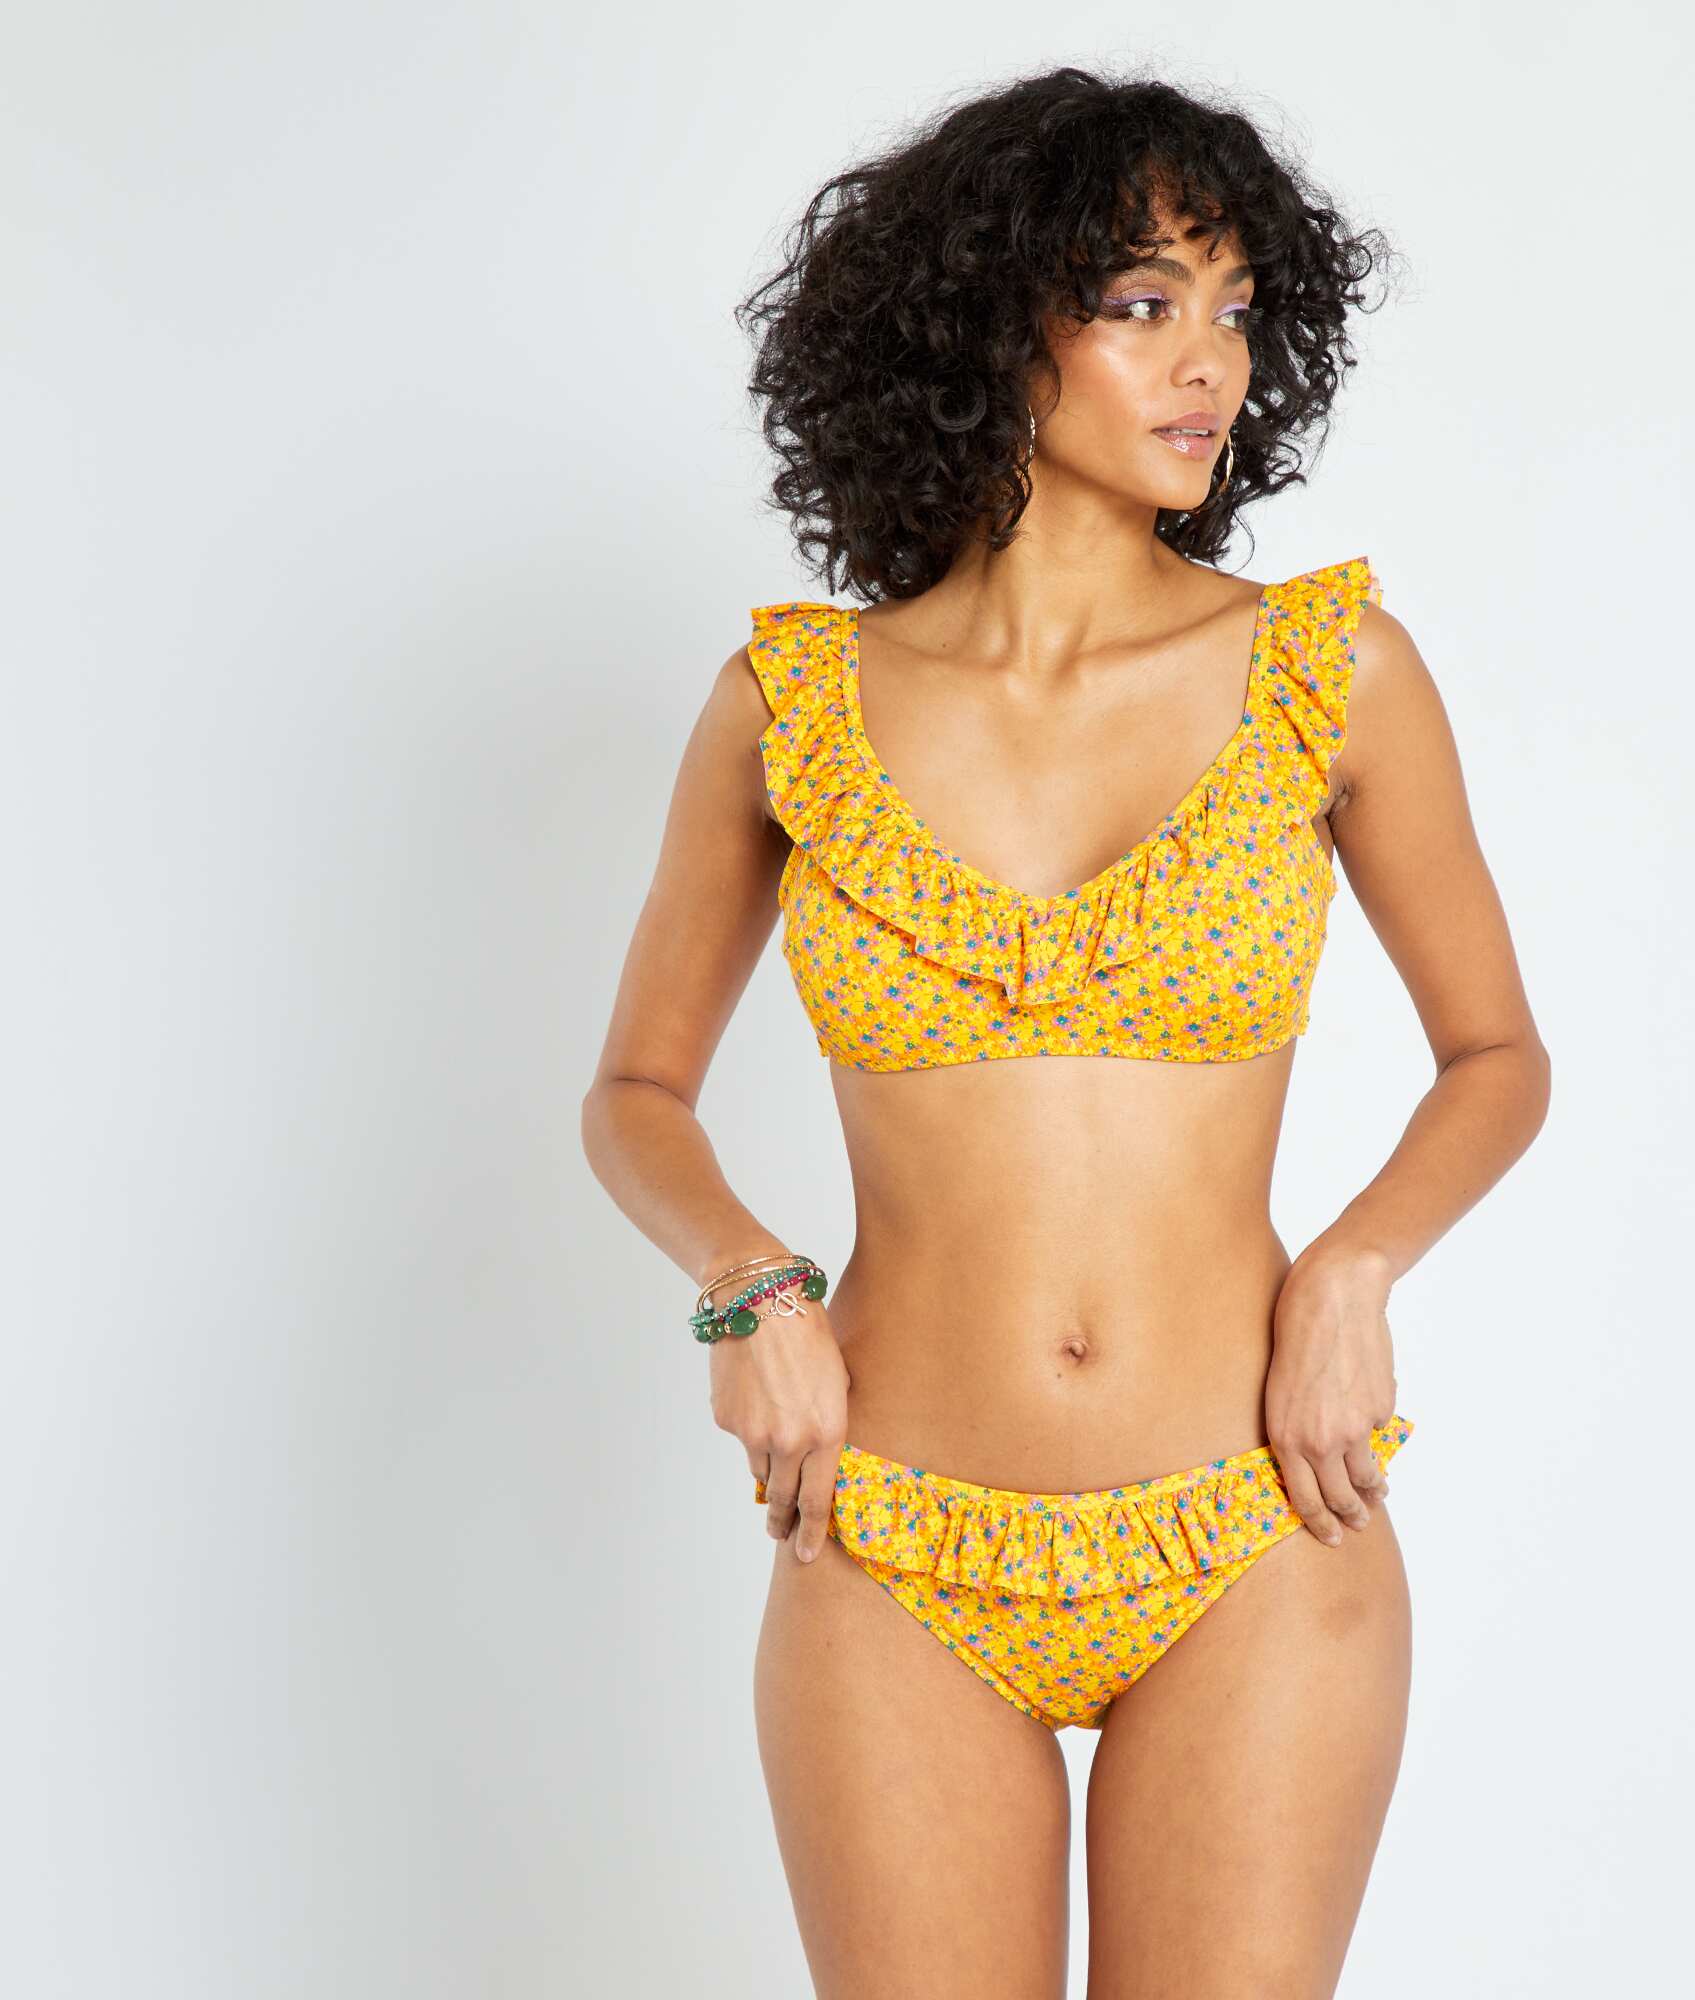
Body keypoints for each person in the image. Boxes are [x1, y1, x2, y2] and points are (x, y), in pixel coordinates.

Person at [581, 65, 1551, 1999]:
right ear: (981, 323)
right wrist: (747, 1287)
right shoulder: (789, 704)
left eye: (1238, 307)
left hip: (1259, 1523)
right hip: (892, 1543)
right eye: (1140, 303)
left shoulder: (1328, 673)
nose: (1211, 363)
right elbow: (635, 1091)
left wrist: (1355, 1268)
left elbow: (1497, 1058)